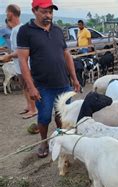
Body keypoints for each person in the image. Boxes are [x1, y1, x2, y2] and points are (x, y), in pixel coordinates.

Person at [17, 0, 81, 158]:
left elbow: (66, 54)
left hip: (63, 83)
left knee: (62, 114)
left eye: (51, 12)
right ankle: (44, 141)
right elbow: (23, 60)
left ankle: (62, 138)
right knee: (44, 116)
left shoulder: (58, 30)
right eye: (44, 11)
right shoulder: (26, 31)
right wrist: (31, 87)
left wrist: (74, 78)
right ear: (34, 11)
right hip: (42, 86)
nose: (49, 15)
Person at [1, 4, 37, 119]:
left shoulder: (19, 30)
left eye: (7, 13)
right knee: (24, 86)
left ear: (11, 14)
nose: (6, 15)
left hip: (24, 64)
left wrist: (8, 56)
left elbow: (21, 51)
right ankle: (28, 106)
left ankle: (33, 109)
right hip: (18, 65)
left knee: (27, 86)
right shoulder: (16, 29)